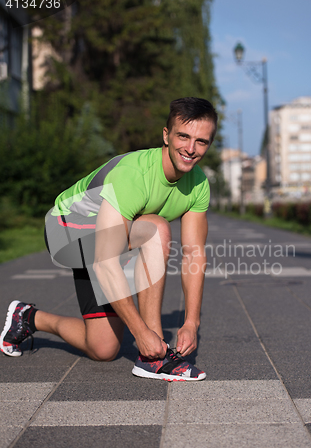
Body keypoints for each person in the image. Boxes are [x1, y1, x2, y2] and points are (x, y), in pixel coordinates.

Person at [0, 97, 217, 381]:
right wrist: (141, 333)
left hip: (111, 237)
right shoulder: (134, 174)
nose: (190, 149)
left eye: (201, 141)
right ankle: (153, 359)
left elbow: (193, 254)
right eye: (183, 136)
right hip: (65, 229)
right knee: (157, 229)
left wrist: (191, 322)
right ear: (166, 135)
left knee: (103, 348)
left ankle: (27, 317)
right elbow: (104, 261)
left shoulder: (198, 184)